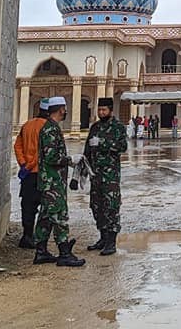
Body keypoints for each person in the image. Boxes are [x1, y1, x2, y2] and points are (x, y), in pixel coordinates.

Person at [33, 97, 86, 266]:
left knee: (46, 216)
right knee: (59, 215)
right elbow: (51, 157)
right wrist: (70, 159)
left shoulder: (53, 128)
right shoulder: (50, 130)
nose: (65, 111)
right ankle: (64, 252)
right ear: (59, 109)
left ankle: (40, 251)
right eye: (64, 108)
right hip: (52, 182)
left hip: (52, 180)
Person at [84, 98, 128, 255]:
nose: (101, 113)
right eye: (99, 110)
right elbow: (87, 151)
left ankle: (111, 242)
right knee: (97, 207)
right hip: (95, 175)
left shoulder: (117, 127)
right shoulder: (95, 127)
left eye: (104, 110)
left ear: (110, 110)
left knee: (111, 207)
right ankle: (102, 237)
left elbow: (123, 146)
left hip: (110, 176)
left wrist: (102, 143)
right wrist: (81, 174)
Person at [13, 98, 50, 248]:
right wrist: (31, 165)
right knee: (46, 206)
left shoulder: (27, 125)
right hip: (41, 173)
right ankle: (40, 238)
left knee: (27, 205)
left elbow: (17, 146)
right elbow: (43, 151)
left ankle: (27, 235)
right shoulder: (48, 127)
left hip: (27, 174)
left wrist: (23, 164)